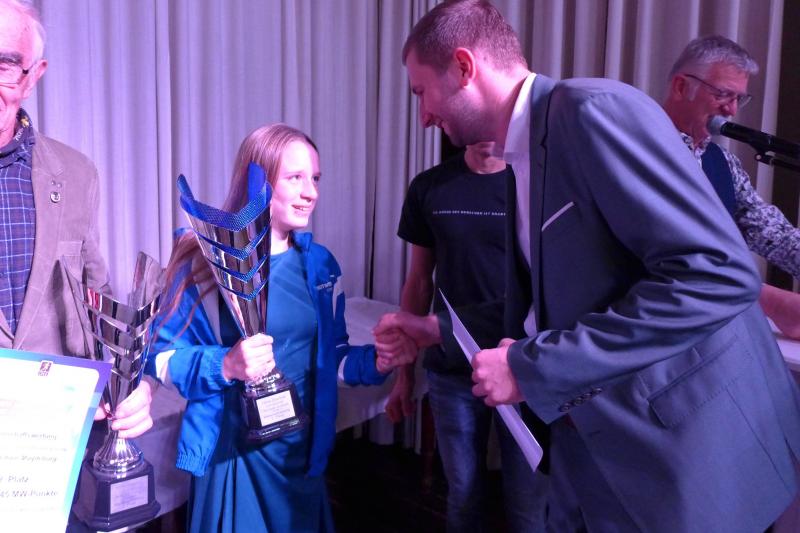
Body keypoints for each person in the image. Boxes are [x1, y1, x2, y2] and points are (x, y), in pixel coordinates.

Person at [391, 1, 800, 531]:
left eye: (421, 92)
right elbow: (557, 300)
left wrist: (531, 368)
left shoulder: (591, 110)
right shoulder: (524, 156)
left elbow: (718, 273)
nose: (423, 116)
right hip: (591, 451)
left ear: (465, 67)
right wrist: (431, 329)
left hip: (671, 456)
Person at [147, 124, 412, 532]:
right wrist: (226, 365)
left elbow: (332, 358)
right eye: (295, 177)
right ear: (259, 181)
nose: (311, 192)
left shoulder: (321, 265)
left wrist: (376, 362)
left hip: (300, 454)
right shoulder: (203, 262)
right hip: (235, 456)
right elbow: (161, 358)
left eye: (315, 178)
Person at [375, 142, 546, 532]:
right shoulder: (430, 187)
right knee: (463, 495)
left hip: (521, 365)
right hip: (452, 367)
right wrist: (404, 375)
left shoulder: (535, 184)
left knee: (528, 501)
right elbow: (419, 281)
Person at [0, 0, 152, 436]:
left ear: (34, 76)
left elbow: (97, 301)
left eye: (4, 65)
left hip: (53, 441)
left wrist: (131, 385)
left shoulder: (76, 174)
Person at [662, 34, 800, 340]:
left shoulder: (722, 161)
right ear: (681, 87)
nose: (732, 111)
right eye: (723, 95)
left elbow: (770, 231)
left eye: (740, 98)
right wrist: (769, 299)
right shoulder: (638, 149)